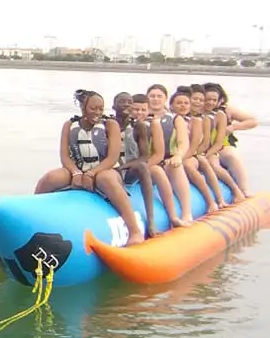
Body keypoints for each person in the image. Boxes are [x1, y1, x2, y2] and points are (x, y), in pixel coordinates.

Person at [35, 89, 145, 242]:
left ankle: (134, 231)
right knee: (51, 177)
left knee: (106, 179)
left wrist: (91, 173)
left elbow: (112, 158)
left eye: (101, 108)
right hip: (78, 169)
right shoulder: (69, 125)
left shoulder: (110, 124)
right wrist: (76, 173)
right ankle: (33, 215)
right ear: (83, 108)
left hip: (105, 169)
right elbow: (65, 157)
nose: (98, 112)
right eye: (93, 108)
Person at [120, 93, 189, 235]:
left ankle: (173, 216)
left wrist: (144, 167)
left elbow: (158, 154)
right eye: (135, 109)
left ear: (148, 110)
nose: (139, 113)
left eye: (143, 110)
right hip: (125, 167)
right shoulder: (119, 124)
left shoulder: (153, 124)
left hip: (144, 165)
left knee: (157, 171)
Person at [207, 82, 258, 197]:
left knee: (231, 156)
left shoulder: (226, 111)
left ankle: (244, 189)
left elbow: (253, 121)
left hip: (223, 144)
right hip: (205, 147)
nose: (210, 102)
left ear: (220, 100)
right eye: (207, 99)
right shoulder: (198, 111)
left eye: (214, 99)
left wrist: (234, 127)